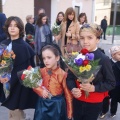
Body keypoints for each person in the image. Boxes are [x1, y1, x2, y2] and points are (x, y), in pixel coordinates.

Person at [66, 23, 115, 120]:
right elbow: (70, 78)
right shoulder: (77, 56)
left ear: (97, 39)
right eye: (82, 38)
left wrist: (94, 88)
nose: (85, 41)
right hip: (77, 100)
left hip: (94, 103)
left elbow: (111, 83)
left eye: (89, 38)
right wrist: (72, 89)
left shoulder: (103, 59)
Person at [0, 16, 38, 120]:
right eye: (10, 26)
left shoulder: (25, 47)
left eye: (15, 26)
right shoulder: (3, 44)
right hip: (5, 83)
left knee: (15, 111)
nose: (12, 28)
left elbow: (29, 69)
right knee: (11, 111)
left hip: (18, 85)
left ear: (20, 29)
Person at [33, 45, 72, 120]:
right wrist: (41, 91)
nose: (46, 61)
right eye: (44, 58)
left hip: (57, 105)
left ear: (57, 58)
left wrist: (69, 112)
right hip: (42, 103)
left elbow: (68, 94)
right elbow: (34, 84)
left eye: (49, 57)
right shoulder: (41, 71)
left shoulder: (62, 74)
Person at [100, 46, 120, 119]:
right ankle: (104, 111)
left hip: (117, 86)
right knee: (106, 98)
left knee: (114, 99)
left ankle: (113, 112)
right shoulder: (107, 62)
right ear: (113, 55)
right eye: (119, 54)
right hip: (108, 85)